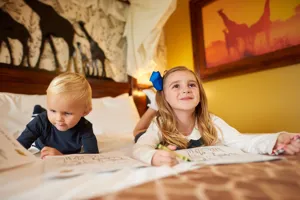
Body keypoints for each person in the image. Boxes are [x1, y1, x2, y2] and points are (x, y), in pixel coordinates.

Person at [132, 66, 300, 166]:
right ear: (165, 96)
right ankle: (154, 105)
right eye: (176, 86)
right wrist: (152, 156)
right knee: (138, 133)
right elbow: (140, 148)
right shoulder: (159, 124)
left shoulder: (211, 121)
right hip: (152, 130)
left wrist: (275, 139)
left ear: (199, 93)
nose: (186, 89)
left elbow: (242, 140)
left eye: (192, 85)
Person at [17, 72, 99, 159]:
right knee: (38, 119)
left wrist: (61, 157)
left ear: (85, 112)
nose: (58, 119)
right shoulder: (40, 121)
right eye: (53, 110)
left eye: (67, 113)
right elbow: (19, 146)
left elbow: (92, 155)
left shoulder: (85, 127)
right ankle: (38, 110)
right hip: (40, 140)